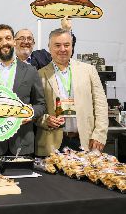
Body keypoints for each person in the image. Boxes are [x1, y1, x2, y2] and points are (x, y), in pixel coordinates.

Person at [0, 24, 46, 165]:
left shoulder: (30, 71)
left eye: (8, 38)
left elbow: (41, 104)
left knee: (25, 186)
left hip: (22, 144)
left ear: (14, 41)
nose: (4, 43)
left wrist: (30, 113)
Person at [35, 28, 108, 156]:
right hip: (52, 143)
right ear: (49, 47)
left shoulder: (89, 71)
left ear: (72, 46)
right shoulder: (39, 74)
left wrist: (99, 134)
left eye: (67, 45)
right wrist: (45, 120)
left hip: (85, 141)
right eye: (57, 45)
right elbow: (34, 109)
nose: (62, 49)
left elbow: (101, 105)